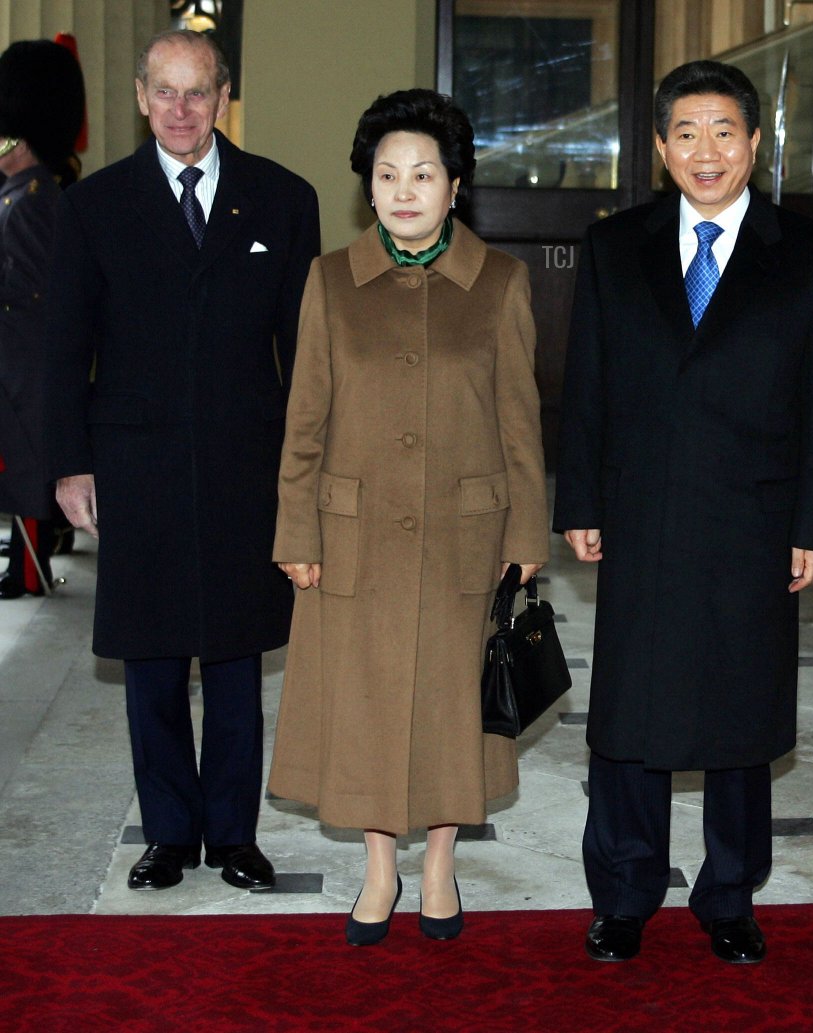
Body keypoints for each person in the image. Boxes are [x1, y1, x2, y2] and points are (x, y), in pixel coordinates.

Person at [555, 59, 813, 966]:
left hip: (753, 522)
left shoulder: (812, 257)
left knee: (740, 712)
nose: (706, 150)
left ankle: (729, 894)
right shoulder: (616, 246)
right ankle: (626, 889)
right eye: (686, 133)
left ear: (756, 143)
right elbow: (587, 387)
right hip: (644, 512)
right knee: (632, 714)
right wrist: (581, 499)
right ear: (658, 147)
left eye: (725, 130)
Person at [269, 88, 548, 947]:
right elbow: (304, 418)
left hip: (467, 534)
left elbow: (521, 421)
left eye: (422, 173)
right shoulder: (329, 280)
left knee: (451, 708)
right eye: (387, 174)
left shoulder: (499, 283)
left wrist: (527, 536)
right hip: (354, 530)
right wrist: (296, 531)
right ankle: (379, 866)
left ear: (454, 184)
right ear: (369, 186)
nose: (404, 190)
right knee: (365, 706)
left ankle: (438, 861)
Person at [43, 30, 320, 892]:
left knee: (237, 654)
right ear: (138, 96)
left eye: (197, 92)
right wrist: (69, 463)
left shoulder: (282, 198)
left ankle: (233, 833)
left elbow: (305, 354)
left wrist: (304, 471)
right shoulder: (93, 206)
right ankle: (168, 830)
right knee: (152, 655)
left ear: (224, 96)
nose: (180, 109)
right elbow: (62, 349)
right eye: (164, 91)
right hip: (137, 463)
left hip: (248, 464)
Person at [0, 39, 85, 599]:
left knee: (28, 464)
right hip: (16, 353)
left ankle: (28, 571)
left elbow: (30, 289)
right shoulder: (19, 192)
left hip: (24, 356)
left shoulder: (34, 197)